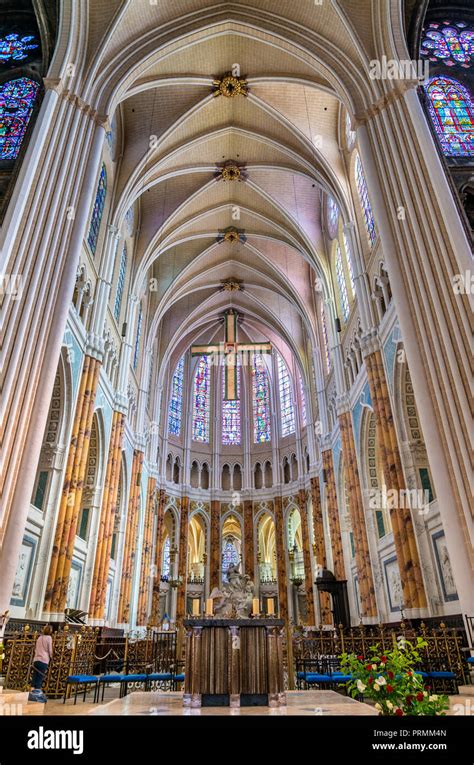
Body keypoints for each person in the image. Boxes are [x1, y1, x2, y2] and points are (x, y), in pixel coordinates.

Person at [28, 625, 53, 703]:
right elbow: (50, 649)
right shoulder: (49, 638)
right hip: (44, 659)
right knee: (40, 676)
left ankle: (31, 691)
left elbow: (36, 648)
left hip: (36, 659)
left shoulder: (39, 637)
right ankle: (37, 695)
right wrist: (51, 656)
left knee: (35, 675)